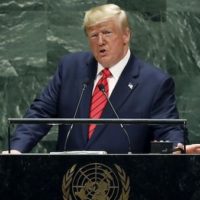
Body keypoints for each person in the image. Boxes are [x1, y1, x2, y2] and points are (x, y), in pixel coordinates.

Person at [2, 4, 200, 154]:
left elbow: (169, 129)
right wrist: (17, 149)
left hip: (125, 184)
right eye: (93, 35)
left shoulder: (155, 82)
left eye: (107, 33)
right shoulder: (70, 68)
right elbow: (39, 114)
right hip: (69, 180)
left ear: (126, 35)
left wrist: (176, 149)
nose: (100, 41)